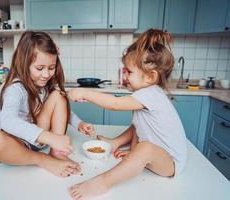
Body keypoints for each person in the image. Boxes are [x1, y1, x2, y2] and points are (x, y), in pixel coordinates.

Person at [68, 29, 187, 200]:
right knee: (137, 126)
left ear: (150, 77)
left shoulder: (151, 94)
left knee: (145, 148)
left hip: (170, 163)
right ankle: (116, 143)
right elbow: (138, 128)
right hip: (160, 155)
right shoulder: (147, 94)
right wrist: (133, 152)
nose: (124, 76)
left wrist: (85, 93)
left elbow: (116, 104)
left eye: (129, 72)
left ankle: (102, 183)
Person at [0, 31, 94, 178]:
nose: (46, 74)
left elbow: (61, 110)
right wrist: (50, 137)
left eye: (51, 68)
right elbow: (7, 121)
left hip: (35, 141)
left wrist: (79, 123)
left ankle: (57, 153)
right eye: (40, 68)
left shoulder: (43, 84)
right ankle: (44, 160)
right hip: (13, 145)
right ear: (24, 63)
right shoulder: (14, 88)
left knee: (59, 95)